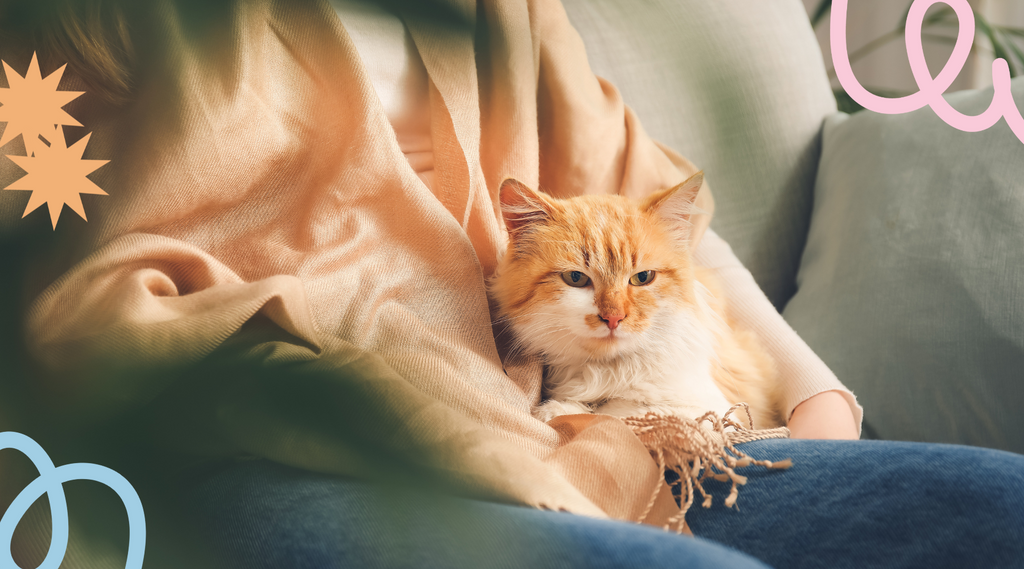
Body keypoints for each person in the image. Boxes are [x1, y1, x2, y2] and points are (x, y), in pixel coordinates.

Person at [2, 0, 1022, 567]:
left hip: (567, 434)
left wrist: (818, 399)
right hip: (274, 449)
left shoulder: (506, 15)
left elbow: (656, 213)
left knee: (995, 507)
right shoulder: (92, 27)